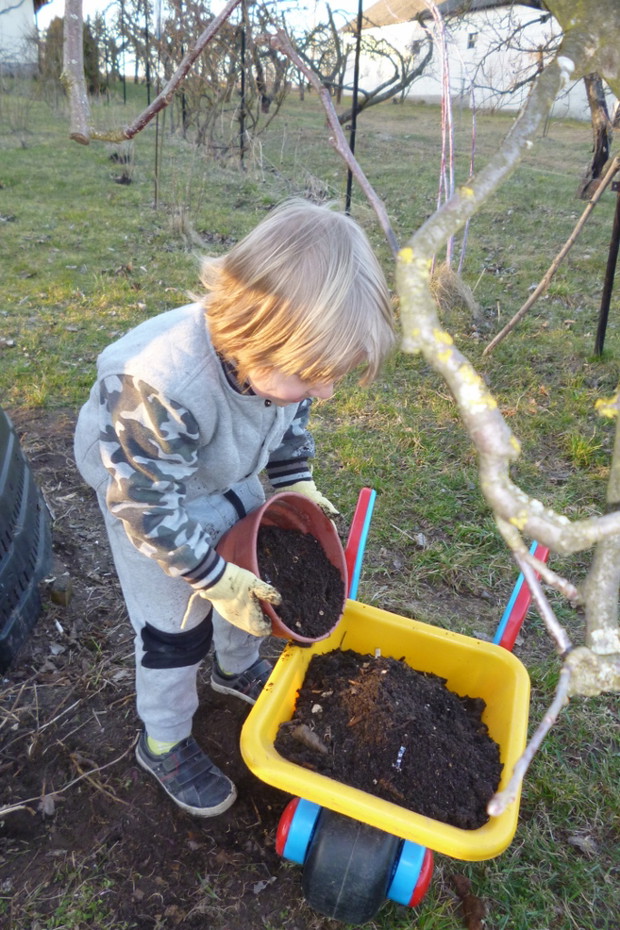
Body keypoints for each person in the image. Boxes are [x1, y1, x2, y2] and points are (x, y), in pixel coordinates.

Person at [74, 198, 395, 818]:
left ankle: (235, 664)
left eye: (331, 376)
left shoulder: (277, 366)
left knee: (257, 568)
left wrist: (294, 481)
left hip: (218, 468)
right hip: (144, 495)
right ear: (257, 340)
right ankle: (163, 739)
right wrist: (211, 578)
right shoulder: (163, 385)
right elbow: (148, 511)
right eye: (313, 375)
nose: (325, 392)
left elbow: (288, 415)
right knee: (176, 622)